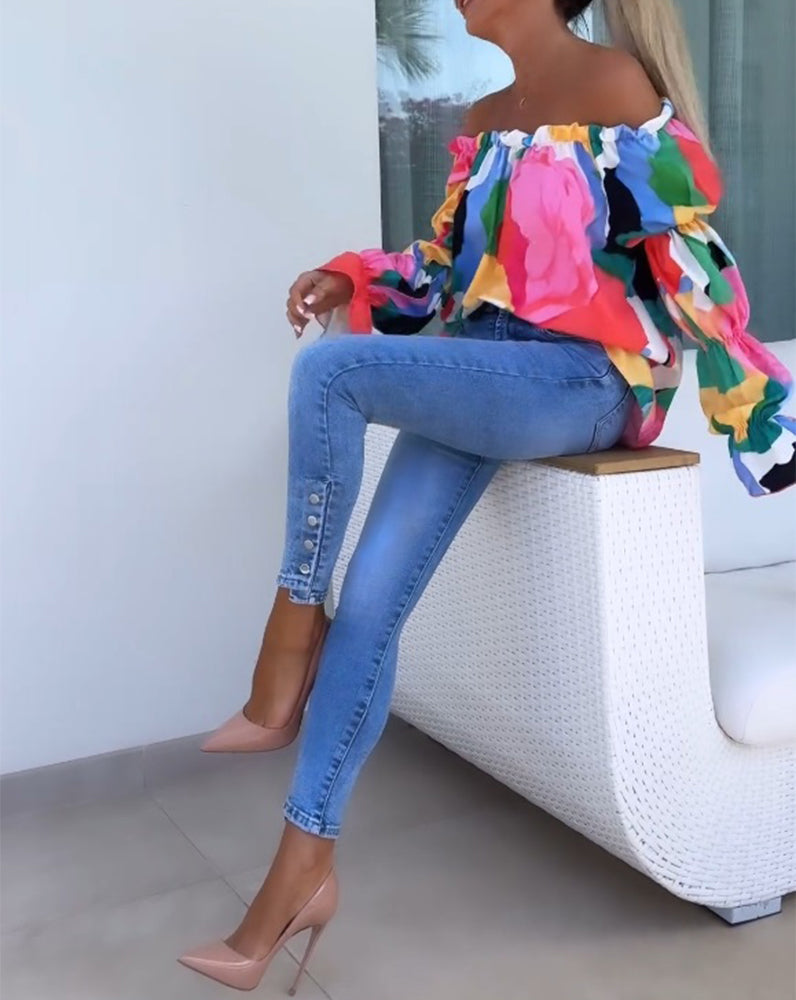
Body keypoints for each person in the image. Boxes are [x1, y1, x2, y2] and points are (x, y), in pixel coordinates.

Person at [179, 0, 796, 991]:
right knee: (369, 605)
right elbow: (445, 274)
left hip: (587, 379)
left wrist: (754, 403)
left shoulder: (613, 83)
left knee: (330, 374)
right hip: (493, 368)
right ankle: (299, 874)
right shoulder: (481, 119)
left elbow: (688, 257)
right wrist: (348, 276)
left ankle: (287, 638)